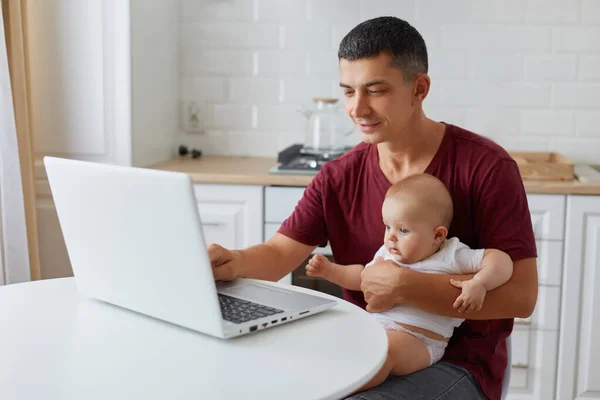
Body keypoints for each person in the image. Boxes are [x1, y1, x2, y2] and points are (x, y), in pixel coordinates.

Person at [209, 16, 538, 400]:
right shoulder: (339, 176)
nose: (357, 108)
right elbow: (279, 253)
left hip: (458, 363)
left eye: (375, 90)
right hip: (365, 347)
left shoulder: (486, 168)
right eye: (348, 91)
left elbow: (521, 297)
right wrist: (230, 260)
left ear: (420, 88)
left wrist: (405, 285)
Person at [305, 173, 514, 393]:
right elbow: (362, 278)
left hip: (419, 341)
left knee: (383, 354)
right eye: (387, 227)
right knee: (333, 341)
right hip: (376, 330)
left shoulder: (452, 254)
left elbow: (501, 261)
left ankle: (340, 390)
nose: (391, 237)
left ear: (437, 235)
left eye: (403, 230)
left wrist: (480, 282)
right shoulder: (388, 253)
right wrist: (331, 271)